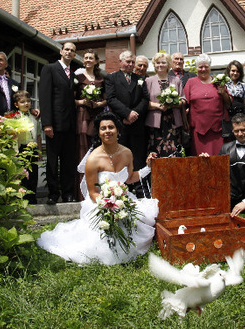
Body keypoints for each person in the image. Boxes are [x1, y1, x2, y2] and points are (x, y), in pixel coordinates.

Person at [36, 111, 159, 265]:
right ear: (99, 133)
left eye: (111, 127)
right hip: (99, 202)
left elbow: (128, 178)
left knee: (143, 220)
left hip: (122, 198)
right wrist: (108, 205)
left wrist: (147, 168)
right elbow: (93, 192)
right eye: (103, 128)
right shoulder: (93, 159)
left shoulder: (127, 153)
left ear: (118, 130)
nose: (107, 131)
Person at [105, 50, 150, 197]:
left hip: (137, 124)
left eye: (132, 62)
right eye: (127, 62)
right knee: (120, 157)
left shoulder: (140, 79)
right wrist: (126, 114)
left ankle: (139, 189)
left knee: (137, 157)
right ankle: (121, 188)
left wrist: (134, 113)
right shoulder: (112, 78)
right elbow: (111, 98)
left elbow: (145, 99)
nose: (130, 64)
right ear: (120, 62)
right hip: (121, 124)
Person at [39, 42, 78, 204]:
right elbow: (45, 97)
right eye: (67, 49)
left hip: (70, 124)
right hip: (54, 124)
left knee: (68, 161)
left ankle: (68, 193)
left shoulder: (74, 74)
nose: (69, 52)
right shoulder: (50, 69)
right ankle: (53, 193)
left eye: (72, 51)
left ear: (74, 55)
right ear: (61, 51)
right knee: (53, 161)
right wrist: (47, 123)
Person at [74, 49, 107, 200]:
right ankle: (82, 193)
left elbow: (107, 99)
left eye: (90, 58)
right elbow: (71, 98)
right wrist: (82, 101)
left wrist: (99, 103)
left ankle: (99, 189)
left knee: (98, 150)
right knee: (83, 150)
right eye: (85, 58)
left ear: (96, 61)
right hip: (82, 115)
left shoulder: (101, 79)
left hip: (97, 115)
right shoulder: (77, 77)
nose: (87, 60)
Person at [183, 54, 230, 156]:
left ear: (210, 67)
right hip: (198, 130)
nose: (203, 69)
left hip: (218, 130)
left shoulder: (218, 81)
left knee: (218, 160)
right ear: (196, 68)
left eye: (206, 66)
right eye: (200, 67)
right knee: (200, 161)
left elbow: (229, 102)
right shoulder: (191, 82)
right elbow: (183, 103)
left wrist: (223, 93)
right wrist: (185, 121)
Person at [145, 52, 185, 157]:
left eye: (163, 62)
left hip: (173, 123)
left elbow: (183, 100)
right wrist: (158, 106)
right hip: (155, 124)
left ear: (168, 64)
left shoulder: (176, 80)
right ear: (154, 65)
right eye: (157, 63)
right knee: (156, 152)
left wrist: (173, 104)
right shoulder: (149, 81)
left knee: (174, 152)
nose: (160, 65)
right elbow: (144, 102)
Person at [9, 90, 42, 205]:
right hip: (21, 148)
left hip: (33, 149)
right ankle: (21, 198)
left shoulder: (34, 117)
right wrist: (14, 151)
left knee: (33, 174)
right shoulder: (14, 117)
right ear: (16, 105)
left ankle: (32, 198)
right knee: (22, 173)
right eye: (22, 102)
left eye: (28, 101)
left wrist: (39, 151)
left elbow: (38, 134)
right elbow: (12, 135)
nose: (26, 104)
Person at [222, 60, 245, 140]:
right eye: (233, 71)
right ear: (229, 71)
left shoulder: (243, 86)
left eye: (237, 71)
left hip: (241, 115)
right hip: (229, 116)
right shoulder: (224, 85)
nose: (235, 73)